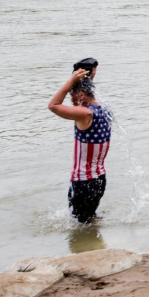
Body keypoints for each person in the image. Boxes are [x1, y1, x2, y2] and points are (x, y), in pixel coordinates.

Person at [48, 68, 112, 223]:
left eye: (72, 96)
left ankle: (86, 246)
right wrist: (87, 77)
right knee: (89, 219)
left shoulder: (85, 114)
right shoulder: (104, 109)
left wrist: (70, 81)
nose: (71, 101)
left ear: (82, 95)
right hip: (99, 179)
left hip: (83, 181)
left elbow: (53, 105)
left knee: (79, 224)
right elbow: (88, 94)